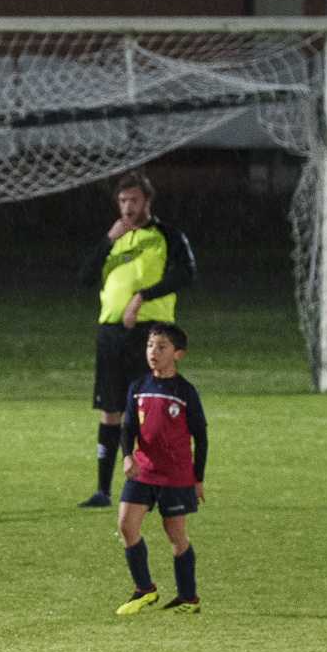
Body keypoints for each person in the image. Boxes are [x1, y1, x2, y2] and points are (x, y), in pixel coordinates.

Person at [84, 171, 195, 507]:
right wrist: (107, 241)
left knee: (152, 409)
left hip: (151, 333)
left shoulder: (167, 236)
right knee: (111, 409)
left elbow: (186, 273)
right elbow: (84, 277)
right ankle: (103, 491)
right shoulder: (115, 239)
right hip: (111, 333)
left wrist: (143, 295)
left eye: (134, 200)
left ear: (147, 201)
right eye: (122, 201)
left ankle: (157, 486)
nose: (128, 207)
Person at [112, 322, 208, 616]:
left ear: (178, 354)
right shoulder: (138, 387)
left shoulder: (185, 391)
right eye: (150, 346)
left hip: (176, 475)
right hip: (143, 471)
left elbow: (201, 436)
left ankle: (188, 597)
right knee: (126, 525)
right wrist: (127, 457)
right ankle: (145, 589)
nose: (153, 352)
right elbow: (128, 427)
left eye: (162, 347)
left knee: (175, 534)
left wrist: (198, 478)